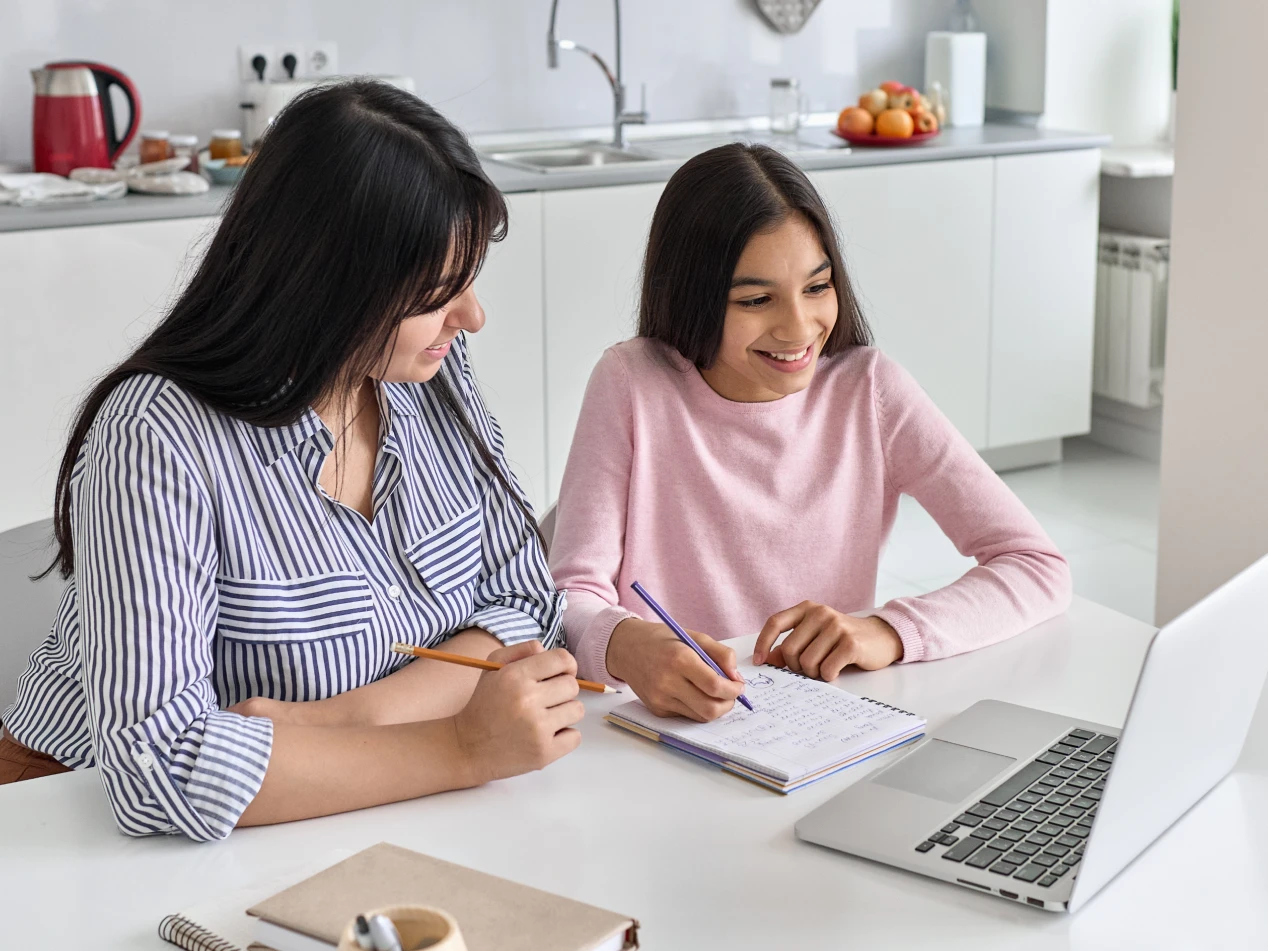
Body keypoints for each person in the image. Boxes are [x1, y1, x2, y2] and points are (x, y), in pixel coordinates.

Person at [0, 81, 583, 839]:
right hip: (75, 826)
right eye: (438, 291)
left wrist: (353, 717)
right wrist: (460, 743)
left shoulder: (430, 371)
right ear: (330, 286)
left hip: (357, 809)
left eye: (468, 278)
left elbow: (527, 604)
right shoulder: (156, 437)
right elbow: (159, 767)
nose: (472, 316)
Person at [549, 143, 1072, 722]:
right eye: (755, 299)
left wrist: (890, 631)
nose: (799, 328)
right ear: (693, 297)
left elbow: (1036, 564)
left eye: (817, 288)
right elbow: (569, 593)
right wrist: (625, 645)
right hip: (660, 725)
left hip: (824, 724)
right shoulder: (632, 383)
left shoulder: (870, 390)